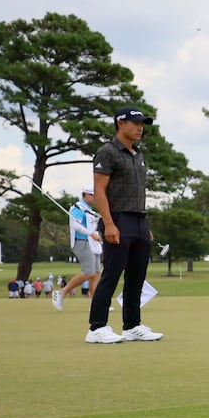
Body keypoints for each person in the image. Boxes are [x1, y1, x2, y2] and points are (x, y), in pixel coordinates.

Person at [86, 106, 163, 344]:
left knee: (137, 276)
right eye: (135, 123)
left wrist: (144, 224)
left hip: (139, 219)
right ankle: (96, 327)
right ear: (121, 123)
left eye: (142, 124)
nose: (140, 128)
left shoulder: (138, 155)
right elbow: (99, 191)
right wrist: (108, 223)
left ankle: (132, 325)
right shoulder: (107, 152)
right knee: (112, 274)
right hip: (117, 219)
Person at [54, 187, 103, 312]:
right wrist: (91, 234)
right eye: (92, 195)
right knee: (89, 272)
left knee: (96, 274)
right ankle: (61, 293)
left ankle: (95, 304)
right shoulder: (77, 207)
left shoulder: (90, 210)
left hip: (93, 243)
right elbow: (74, 225)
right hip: (81, 242)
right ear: (85, 195)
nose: (94, 198)